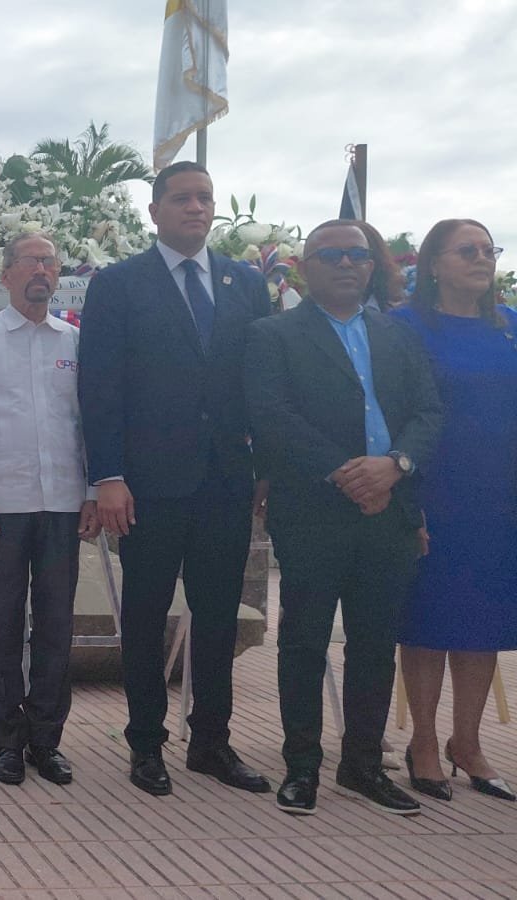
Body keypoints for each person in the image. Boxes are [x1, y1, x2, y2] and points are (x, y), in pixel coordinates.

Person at [77, 161, 272, 797]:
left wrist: (265, 467)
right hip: (148, 484)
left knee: (217, 616)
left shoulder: (245, 283)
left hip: (225, 481)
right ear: (155, 211)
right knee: (145, 614)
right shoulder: (119, 284)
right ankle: (146, 743)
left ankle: (211, 741)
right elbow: (99, 387)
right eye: (183, 198)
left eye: (205, 198)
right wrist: (107, 475)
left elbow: (262, 381)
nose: (196, 208)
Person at [245, 219, 443, 816]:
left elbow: (428, 412)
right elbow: (272, 417)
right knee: (304, 641)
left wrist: (394, 467)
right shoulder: (272, 334)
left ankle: (361, 766)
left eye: (357, 254)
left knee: (374, 644)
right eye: (331, 255)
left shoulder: (398, 334)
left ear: (372, 265)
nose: (347, 264)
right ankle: (302, 766)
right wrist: (348, 474)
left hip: (391, 507)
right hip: (314, 510)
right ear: (306, 267)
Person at [0, 233, 98, 788]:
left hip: (63, 502)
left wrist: (90, 491)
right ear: (6, 274)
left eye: (49, 262)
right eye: (30, 261)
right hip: (0, 504)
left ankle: (46, 741)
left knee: (57, 626)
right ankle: (7, 741)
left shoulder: (75, 342)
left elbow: (88, 424)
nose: (41, 269)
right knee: (3, 625)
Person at [391, 218, 516, 802]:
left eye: (489, 249)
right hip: (432, 492)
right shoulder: (405, 327)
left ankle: (466, 742)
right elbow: (393, 410)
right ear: (434, 263)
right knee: (428, 620)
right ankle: (422, 741)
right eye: (468, 250)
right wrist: (406, 497)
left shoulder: (509, 325)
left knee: (481, 621)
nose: (482, 258)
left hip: (497, 497)